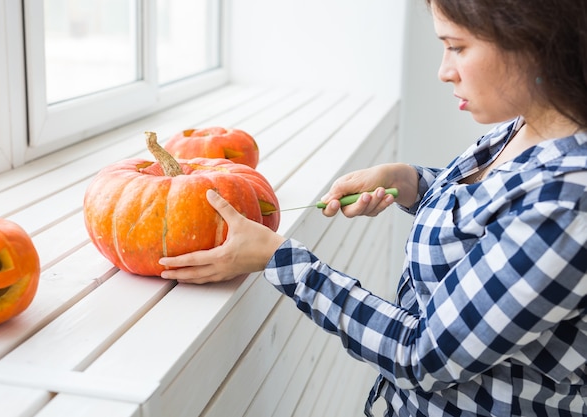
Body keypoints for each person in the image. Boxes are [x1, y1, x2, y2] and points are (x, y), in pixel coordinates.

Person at [159, 0, 587, 415]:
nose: (443, 71)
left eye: (456, 46)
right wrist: (409, 181)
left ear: (531, 38)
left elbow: (424, 356)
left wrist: (279, 260)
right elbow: (492, 210)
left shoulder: (568, 206)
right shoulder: (531, 124)